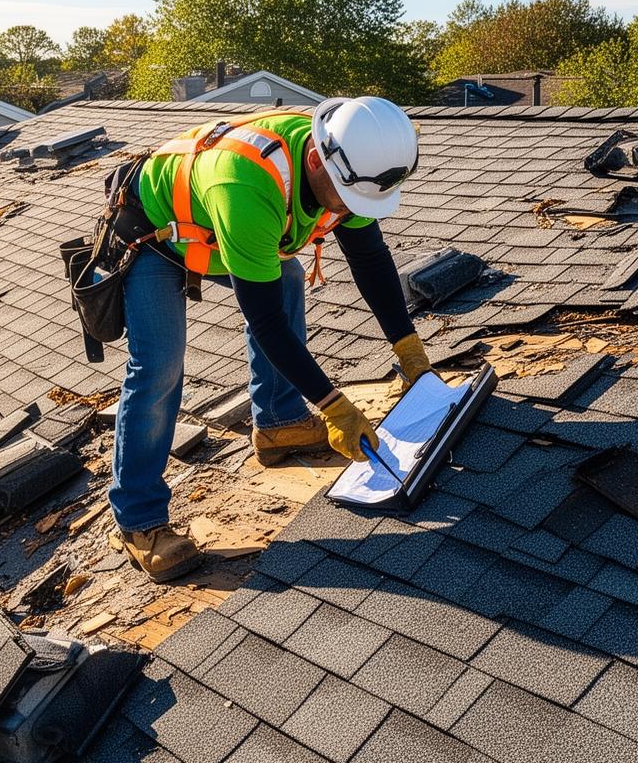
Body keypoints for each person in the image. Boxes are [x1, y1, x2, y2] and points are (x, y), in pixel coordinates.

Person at [109, 96, 432, 580]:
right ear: (320, 159)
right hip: (154, 233)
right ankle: (140, 523)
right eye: (347, 199)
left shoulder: (358, 165)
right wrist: (336, 406)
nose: (349, 211)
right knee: (159, 367)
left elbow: (370, 260)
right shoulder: (248, 183)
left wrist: (410, 351)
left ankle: (279, 423)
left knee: (285, 278)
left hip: (217, 228)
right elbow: (265, 324)